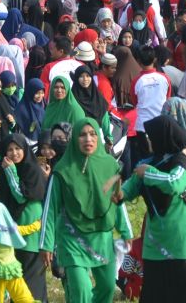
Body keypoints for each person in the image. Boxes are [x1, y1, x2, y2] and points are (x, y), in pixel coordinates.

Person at [39, 118, 133, 303]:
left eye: (92, 134)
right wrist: (46, 243)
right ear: (74, 139)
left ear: (98, 138)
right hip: (72, 238)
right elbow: (50, 209)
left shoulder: (110, 165)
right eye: (82, 135)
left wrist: (126, 230)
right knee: (81, 291)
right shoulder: (62, 170)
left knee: (107, 287)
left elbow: (117, 201)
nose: (88, 139)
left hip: (101, 238)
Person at [122, 115, 186, 303]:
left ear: (162, 137)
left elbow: (173, 184)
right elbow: (130, 186)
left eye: (152, 136)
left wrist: (149, 173)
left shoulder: (180, 163)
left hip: (182, 243)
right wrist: (119, 194)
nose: (148, 140)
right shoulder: (148, 162)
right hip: (156, 245)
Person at [0, 133, 49, 300]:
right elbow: (7, 197)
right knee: (17, 280)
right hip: (15, 230)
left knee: (31, 280)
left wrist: (10, 172)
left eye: (18, 148)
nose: (14, 153)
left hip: (31, 231)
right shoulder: (6, 170)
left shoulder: (32, 170)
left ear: (25, 149)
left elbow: (20, 196)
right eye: (9, 150)